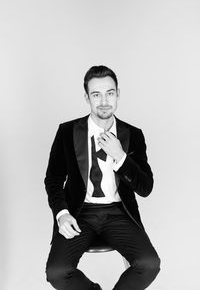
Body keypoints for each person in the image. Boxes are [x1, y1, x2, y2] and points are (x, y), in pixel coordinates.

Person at [44, 65, 160, 290]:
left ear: (118, 94)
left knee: (149, 264)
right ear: (87, 97)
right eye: (96, 94)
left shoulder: (133, 135)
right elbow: (53, 178)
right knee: (57, 272)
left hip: (119, 212)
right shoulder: (67, 132)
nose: (104, 101)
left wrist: (121, 156)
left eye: (110, 93)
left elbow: (146, 188)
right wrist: (61, 214)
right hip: (80, 212)